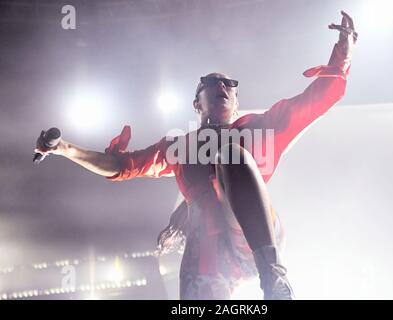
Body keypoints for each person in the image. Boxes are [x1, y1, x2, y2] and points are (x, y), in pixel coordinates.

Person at [35, 11, 357, 300]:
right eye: (212, 82)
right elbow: (122, 166)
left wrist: (342, 54)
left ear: (236, 100)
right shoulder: (179, 147)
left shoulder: (260, 129)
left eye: (230, 83)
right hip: (207, 251)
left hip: (252, 240)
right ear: (196, 102)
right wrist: (64, 148)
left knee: (230, 154)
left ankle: (274, 278)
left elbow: (313, 102)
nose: (223, 86)